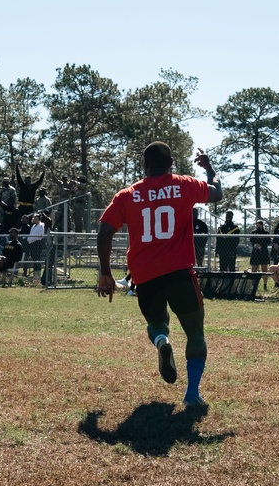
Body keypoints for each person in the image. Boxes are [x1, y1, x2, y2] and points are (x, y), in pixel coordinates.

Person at [96, 142, 223, 407]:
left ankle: (162, 341)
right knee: (195, 332)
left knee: (156, 324)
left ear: (145, 165)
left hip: (145, 275)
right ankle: (192, 394)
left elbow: (105, 231)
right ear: (171, 163)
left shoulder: (127, 194)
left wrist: (106, 273)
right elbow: (217, 193)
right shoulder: (184, 185)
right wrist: (209, 168)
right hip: (179, 271)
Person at [249, 220, 271, 288]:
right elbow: (252, 241)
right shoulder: (253, 232)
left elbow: (268, 242)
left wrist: (261, 245)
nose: (258, 226)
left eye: (259, 224)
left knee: (264, 269)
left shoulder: (266, 233)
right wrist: (255, 245)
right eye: (257, 224)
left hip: (263, 252)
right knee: (254, 269)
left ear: (262, 225)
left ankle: (265, 285)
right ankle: (253, 285)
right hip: (255, 253)